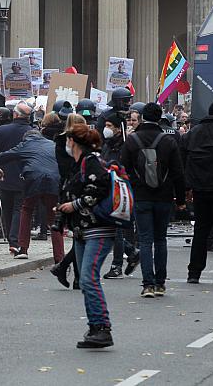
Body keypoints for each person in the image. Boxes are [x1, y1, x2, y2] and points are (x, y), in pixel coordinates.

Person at [57, 123, 115, 348]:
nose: (66, 145)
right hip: (84, 229)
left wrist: (74, 204)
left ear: (73, 142)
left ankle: (102, 327)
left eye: (67, 140)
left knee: (89, 279)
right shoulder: (79, 164)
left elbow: (98, 189)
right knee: (85, 280)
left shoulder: (91, 163)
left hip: (97, 228)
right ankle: (94, 327)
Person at [121, 102, 186, 297]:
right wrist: (181, 199)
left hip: (140, 196)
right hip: (164, 196)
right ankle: (160, 283)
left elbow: (122, 169)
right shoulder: (168, 141)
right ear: (160, 118)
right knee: (161, 239)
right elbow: (178, 173)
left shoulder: (132, 141)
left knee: (145, 240)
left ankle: (147, 284)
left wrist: (132, 186)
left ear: (141, 117)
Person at [0, 129, 64, 262]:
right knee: (54, 217)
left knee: (26, 209)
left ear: (25, 138)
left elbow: (2, 157)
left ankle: (23, 248)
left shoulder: (25, 145)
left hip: (33, 179)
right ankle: (59, 257)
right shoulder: (52, 144)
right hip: (54, 180)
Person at [181, 100, 213, 286]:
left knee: (201, 231)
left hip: (200, 190)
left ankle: (194, 273)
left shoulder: (193, 133)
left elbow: (183, 160)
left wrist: (187, 187)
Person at [101, 112, 140, 280]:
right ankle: (131, 252)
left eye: (110, 126)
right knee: (111, 229)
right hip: (108, 189)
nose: (106, 129)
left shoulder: (126, 145)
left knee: (115, 228)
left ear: (118, 128)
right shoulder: (107, 144)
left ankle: (117, 265)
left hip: (121, 190)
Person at [49, 113, 87, 289]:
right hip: (79, 188)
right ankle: (71, 272)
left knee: (79, 233)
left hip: (67, 188)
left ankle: (67, 270)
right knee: (81, 233)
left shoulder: (60, 142)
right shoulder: (81, 142)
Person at [0, 102, 33, 255]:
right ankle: (15, 240)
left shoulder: (1, 130)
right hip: (24, 175)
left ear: (15, 114)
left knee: (7, 208)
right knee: (18, 209)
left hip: (3, 174)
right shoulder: (32, 131)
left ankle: (11, 239)